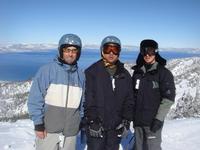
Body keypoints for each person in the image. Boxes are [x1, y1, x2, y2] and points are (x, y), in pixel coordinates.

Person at [28, 33, 85, 150]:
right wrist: (38, 124)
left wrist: (81, 121)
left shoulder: (81, 75)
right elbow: (35, 98)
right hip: (48, 130)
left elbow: (83, 102)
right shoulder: (47, 70)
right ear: (61, 51)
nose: (70, 54)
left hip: (71, 132)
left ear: (78, 53)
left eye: (74, 51)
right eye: (67, 50)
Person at [83, 35, 134, 150]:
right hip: (96, 128)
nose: (111, 53)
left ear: (119, 53)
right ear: (102, 51)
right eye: (107, 49)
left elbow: (129, 100)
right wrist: (92, 120)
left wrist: (126, 120)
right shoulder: (92, 72)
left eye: (115, 50)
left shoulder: (124, 75)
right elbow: (87, 99)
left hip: (115, 129)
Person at [131, 39, 176, 150]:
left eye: (150, 51)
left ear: (155, 52)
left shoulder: (163, 73)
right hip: (137, 122)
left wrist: (158, 119)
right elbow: (132, 96)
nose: (147, 54)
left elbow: (168, 98)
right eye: (144, 51)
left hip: (152, 123)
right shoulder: (137, 73)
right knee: (138, 147)